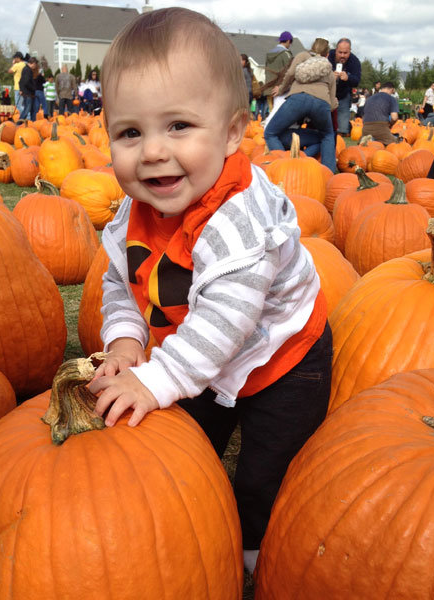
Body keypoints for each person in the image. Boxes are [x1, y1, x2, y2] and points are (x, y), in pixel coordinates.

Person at [89, 7, 332, 575]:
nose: (152, 151)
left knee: (265, 470)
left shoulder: (237, 223)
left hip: (282, 356)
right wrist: (125, 342)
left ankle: (254, 550)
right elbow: (121, 284)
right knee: (185, 437)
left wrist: (156, 378)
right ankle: (191, 523)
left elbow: (225, 322)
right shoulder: (135, 208)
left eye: (178, 126)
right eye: (131, 132)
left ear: (230, 132)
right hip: (199, 345)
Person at [264, 38, 337, 172]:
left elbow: (290, 73)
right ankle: (327, 174)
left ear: (311, 48)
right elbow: (332, 103)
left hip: (299, 98)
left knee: (270, 133)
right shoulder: (329, 71)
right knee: (327, 136)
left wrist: (281, 89)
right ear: (327, 54)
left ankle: (285, 166)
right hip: (322, 102)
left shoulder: (303, 56)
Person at [328, 38, 361, 136]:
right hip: (327, 94)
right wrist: (329, 76)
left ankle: (343, 131)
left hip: (343, 95)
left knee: (342, 130)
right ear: (336, 50)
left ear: (350, 51)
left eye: (345, 53)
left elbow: (357, 81)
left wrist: (348, 78)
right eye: (340, 52)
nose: (342, 55)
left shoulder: (354, 61)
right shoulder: (328, 56)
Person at [262, 31, 294, 112]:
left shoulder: (269, 54)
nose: (290, 45)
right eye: (290, 43)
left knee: (271, 112)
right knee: (280, 114)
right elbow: (290, 72)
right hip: (281, 90)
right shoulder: (286, 54)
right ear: (288, 41)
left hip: (269, 89)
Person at [361, 80, 398, 144]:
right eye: (392, 92)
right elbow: (394, 118)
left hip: (365, 129)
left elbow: (363, 116)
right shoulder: (391, 99)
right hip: (381, 129)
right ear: (392, 89)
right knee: (396, 143)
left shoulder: (369, 99)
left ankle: (371, 139)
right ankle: (377, 140)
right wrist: (390, 124)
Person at [8, 51, 26, 116]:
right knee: (23, 104)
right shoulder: (25, 64)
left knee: (18, 105)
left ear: (18, 58)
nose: (14, 59)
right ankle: (25, 118)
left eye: (15, 58)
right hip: (25, 88)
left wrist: (13, 63)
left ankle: (26, 117)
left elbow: (10, 71)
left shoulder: (17, 65)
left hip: (18, 87)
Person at [18, 56, 36, 121]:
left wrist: (21, 89)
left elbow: (20, 81)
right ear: (33, 63)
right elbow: (26, 82)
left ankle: (33, 122)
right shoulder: (27, 70)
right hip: (27, 93)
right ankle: (19, 122)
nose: (35, 67)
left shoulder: (26, 69)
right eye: (35, 65)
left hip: (28, 93)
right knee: (27, 109)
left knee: (31, 109)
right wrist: (33, 88)